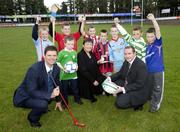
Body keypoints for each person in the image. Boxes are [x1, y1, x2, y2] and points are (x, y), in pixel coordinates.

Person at [13, 46, 62, 127]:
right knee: (43, 104)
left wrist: (58, 100)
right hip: (25, 96)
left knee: (46, 102)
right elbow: (31, 91)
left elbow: (56, 84)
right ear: (44, 56)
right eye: (49, 55)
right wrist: (50, 95)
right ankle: (33, 119)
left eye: (54, 55)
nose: (52, 58)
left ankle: (42, 108)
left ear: (57, 57)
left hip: (40, 91)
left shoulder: (56, 68)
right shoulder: (34, 69)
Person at [109, 46, 148, 110]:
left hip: (138, 90)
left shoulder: (141, 66)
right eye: (125, 54)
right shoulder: (126, 61)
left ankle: (138, 104)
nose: (127, 56)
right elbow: (120, 73)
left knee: (119, 104)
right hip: (129, 82)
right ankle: (123, 94)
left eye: (129, 53)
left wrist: (123, 89)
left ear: (134, 53)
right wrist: (110, 78)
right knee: (113, 84)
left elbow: (139, 84)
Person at [146, 14, 165, 113]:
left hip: (158, 71)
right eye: (148, 37)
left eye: (152, 36)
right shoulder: (146, 46)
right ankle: (151, 99)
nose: (150, 38)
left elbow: (158, 30)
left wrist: (153, 19)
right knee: (151, 87)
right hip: (149, 71)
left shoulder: (158, 43)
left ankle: (155, 106)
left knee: (158, 89)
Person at [77, 38, 106, 103]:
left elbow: (94, 65)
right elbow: (83, 71)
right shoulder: (80, 55)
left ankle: (103, 90)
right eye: (87, 44)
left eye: (90, 45)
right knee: (91, 90)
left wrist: (98, 63)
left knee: (104, 78)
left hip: (92, 74)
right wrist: (93, 80)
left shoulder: (91, 53)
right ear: (83, 45)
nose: (89, 46)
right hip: (85, 78)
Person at [57, 36, 83, 105]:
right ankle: (65, 102)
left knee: (75, 88)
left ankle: (77, 99)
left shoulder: (74, 52)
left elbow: (75, 61)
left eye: (72, 44)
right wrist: (62, 68)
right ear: (65, 44)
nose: (70, 46)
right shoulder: (61, 53)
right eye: (69, 44)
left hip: (73, 74)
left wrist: (76, 66)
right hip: (64, 75)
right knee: (64, 89)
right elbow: (57, 62)